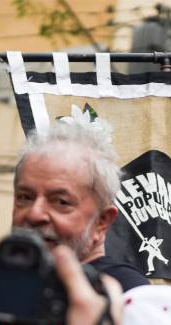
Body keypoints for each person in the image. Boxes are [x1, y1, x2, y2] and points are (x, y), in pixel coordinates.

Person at [11, 120, 149, 291]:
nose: (34, 214)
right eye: (25, 197)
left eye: (61, 202)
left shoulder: (129, 295)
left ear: (102, 221)